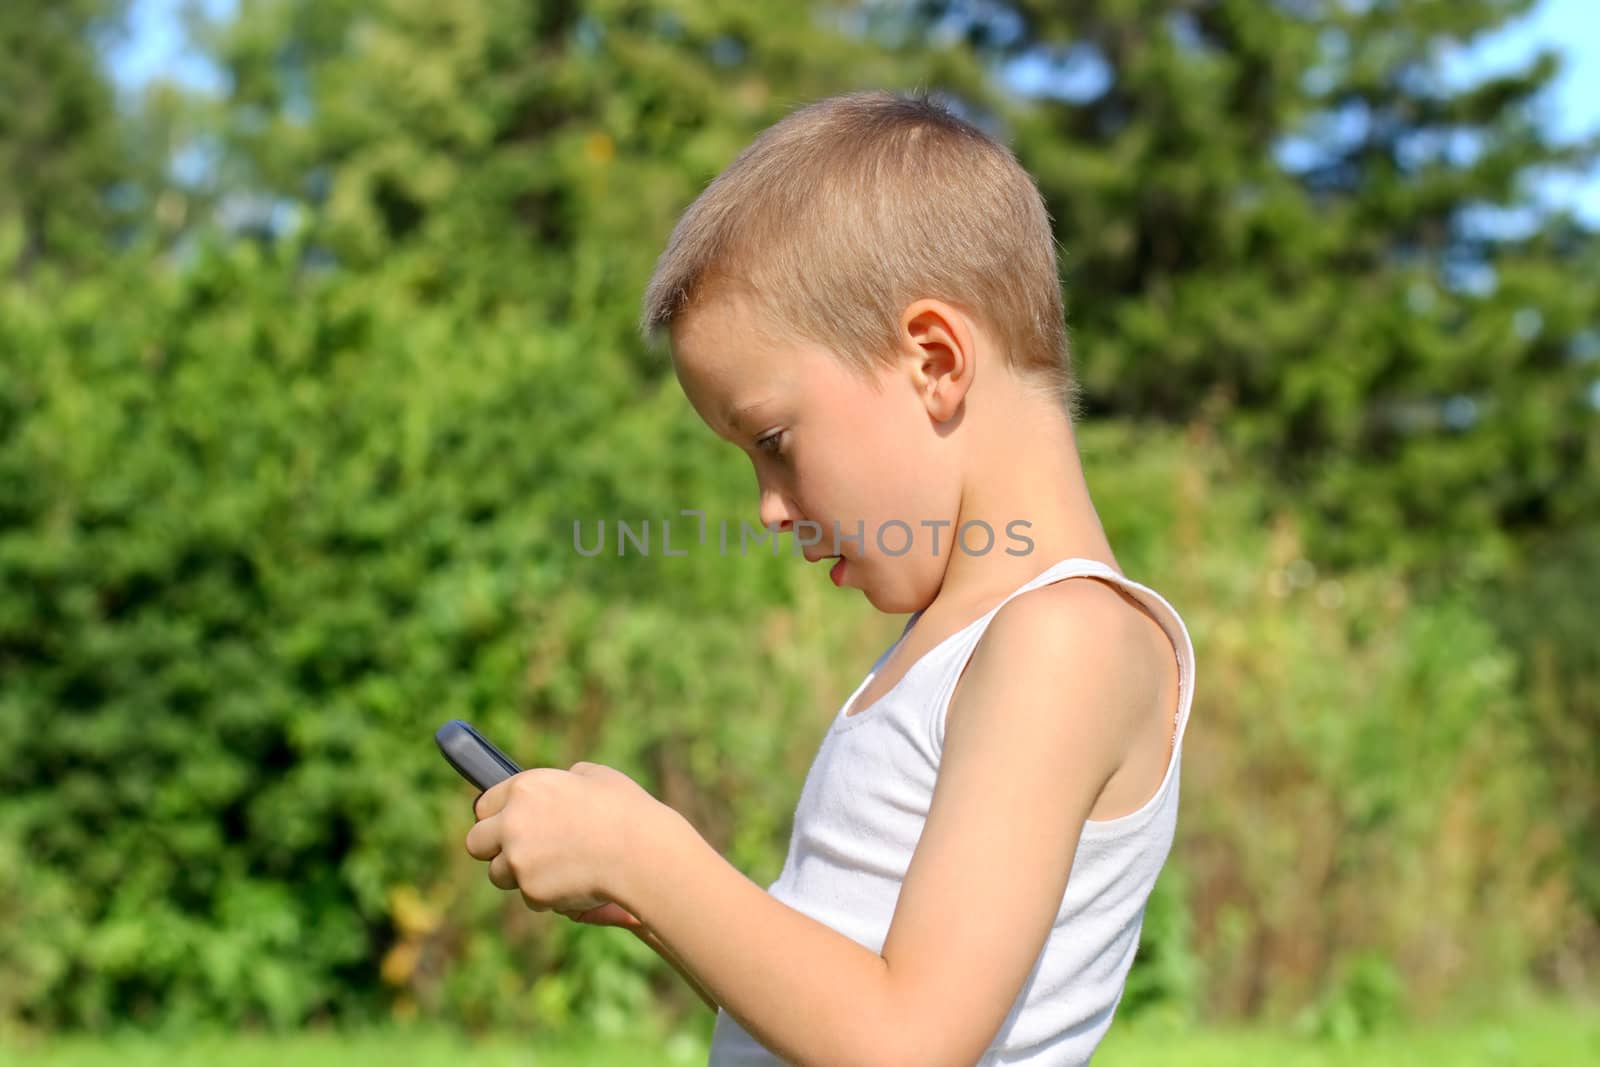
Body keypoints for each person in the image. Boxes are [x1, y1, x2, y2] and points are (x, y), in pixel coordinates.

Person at [581, 88, 1194, 1065]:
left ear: (934, 361)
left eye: (774, 440)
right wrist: (659, 906)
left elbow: (905, 1039)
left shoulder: (1063, 640)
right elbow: (846, 990)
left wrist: (649, 854)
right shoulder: (954, 647)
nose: (768, 506)